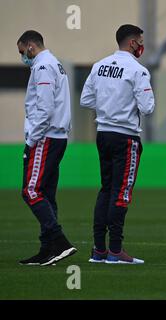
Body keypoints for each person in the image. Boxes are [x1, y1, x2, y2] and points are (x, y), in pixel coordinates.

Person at [80, 24, 155, 264]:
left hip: (103, 133)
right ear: (133, 43)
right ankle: (115, 250)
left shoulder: (99, 66)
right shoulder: (138, 70)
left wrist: (108, 105)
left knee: (106, 190)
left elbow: (86, 99)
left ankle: (99, 250)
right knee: (121, 193)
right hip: (126, 137)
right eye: (140, 41)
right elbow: (148, 107)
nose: (142, 45)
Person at [18, 30, 77, 266]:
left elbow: (44, 108)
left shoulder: (43, 67)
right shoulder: (55, 64)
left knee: (30, 191)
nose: (23, 57)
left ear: (31, 46)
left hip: (46, 136)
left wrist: (31, 140)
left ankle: (60, 241)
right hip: (56, 136)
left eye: (22, 51)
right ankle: (49, 249)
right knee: (46, 193)